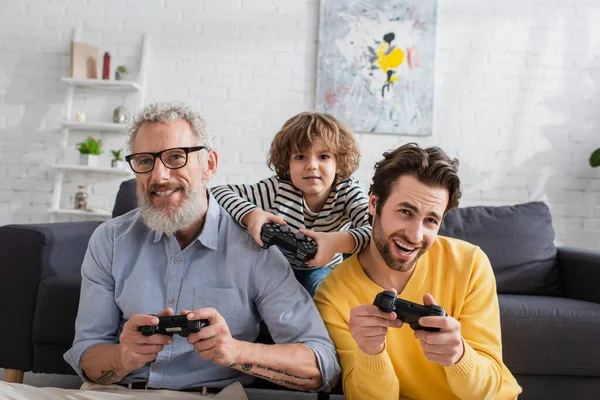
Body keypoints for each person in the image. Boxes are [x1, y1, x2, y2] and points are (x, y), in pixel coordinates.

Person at [0, 102, 340, 399]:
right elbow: (87, 356)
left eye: (176, 157)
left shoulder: (255, 247)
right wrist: (124, 356)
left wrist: (234, 352)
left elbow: (321, 365)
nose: (159, 175)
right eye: (145, 161)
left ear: (209, 165)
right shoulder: (111, 239)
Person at [313, 143, 522, 399]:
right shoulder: (332, 295)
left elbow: (487, 390)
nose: (415, 235)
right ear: (374, 203)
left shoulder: (470, 264)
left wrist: (459, 357)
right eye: (405, 212)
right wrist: (371, 352)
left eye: (431, 220)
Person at [211, 112, 371, 296]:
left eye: (324, 156)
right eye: (300, 157)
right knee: (256, 293)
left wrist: (336, 242)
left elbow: (374, 230)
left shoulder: (347, 192)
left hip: (323, 270)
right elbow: (217, 193)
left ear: (339, 163)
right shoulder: (277, 189)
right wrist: (252, 214)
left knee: (325, 292)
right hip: (278, 267)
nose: (312, 165)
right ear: (287, 164)